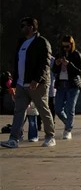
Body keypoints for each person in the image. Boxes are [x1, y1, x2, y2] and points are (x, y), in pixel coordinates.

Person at [1, 17, 56, 149]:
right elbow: (17, 64)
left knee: (43, 110)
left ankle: (50, 137)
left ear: (31, 27)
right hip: (21, 84)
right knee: (18, 112)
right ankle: (13, 139)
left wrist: (37, 80)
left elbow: (45, 64)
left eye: (24, 25)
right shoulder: (22, 43)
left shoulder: (42, 42)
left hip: (37, 84)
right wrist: (14, 84)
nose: (22, 28)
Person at [53, 35, 81, 140]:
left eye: (67, 46)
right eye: (64, 47)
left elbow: (79, 72)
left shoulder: (76, 55)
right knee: (57, 109)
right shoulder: (58, 54)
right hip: (61, 84)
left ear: (72, 45)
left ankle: (68, 130)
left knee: (70, 108)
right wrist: (57, 64)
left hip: (73, 85)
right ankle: (68, 123)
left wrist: (68, 64)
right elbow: (54, 70)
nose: (65, 49)